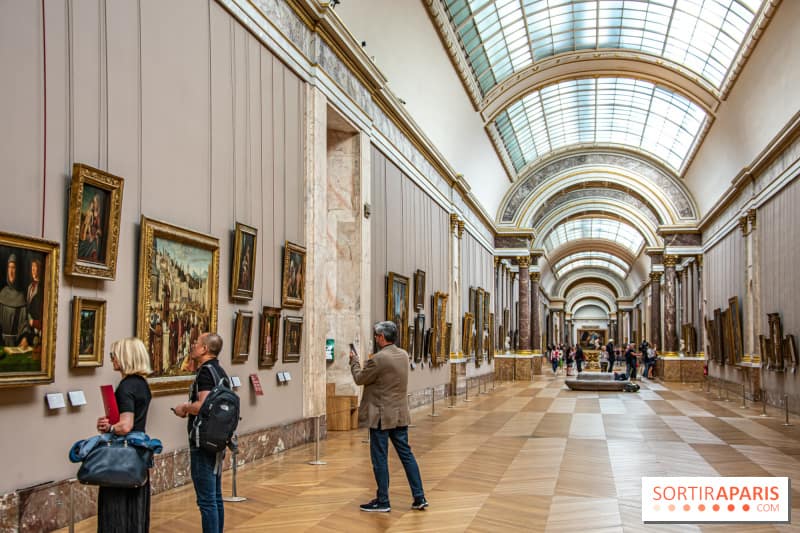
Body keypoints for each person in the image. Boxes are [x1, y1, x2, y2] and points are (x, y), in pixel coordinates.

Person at [350, 321, 427, 513]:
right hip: (400, 415)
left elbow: (360, 379)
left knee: (380, 459)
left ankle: (383, 500)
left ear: (382, 337)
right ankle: (419, 497)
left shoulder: (379, 358)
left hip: (381, 417)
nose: (376, 339)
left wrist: (354, 361)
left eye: (376, 336)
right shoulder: (403, 355)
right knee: (407, 456)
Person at [95, 338, 153, 533]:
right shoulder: (142, 384)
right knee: (135, 507)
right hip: (138, 454)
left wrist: (109, 427)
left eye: (114, 355)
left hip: (123, 456)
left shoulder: (127, 386)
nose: (112, 359)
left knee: (117, 506)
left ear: (125, 357)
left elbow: (125, 426)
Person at [172, 332, 228, 532]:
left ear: (205, 349)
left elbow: (202, 405)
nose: (192, 346)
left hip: (203, 441)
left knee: (206, 500)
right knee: (215, 496)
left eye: (196, 343)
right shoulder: (220, 371)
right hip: (218, 439)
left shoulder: (205, 372)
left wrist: (185, 408)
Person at [0, 254, 31, 348]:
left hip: (17, 345)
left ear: (17, 271)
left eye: (13, 268)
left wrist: (25, 338)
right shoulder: (1, 294)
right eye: (9, 267)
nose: (11, 271)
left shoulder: (21, 296)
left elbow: (25, 323)